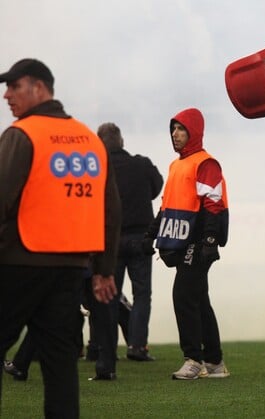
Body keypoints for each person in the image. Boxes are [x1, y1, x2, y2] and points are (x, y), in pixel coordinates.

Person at [0, 58, 121, 418]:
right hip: (70, 269)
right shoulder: (90, 141)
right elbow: (109, 210)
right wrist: (103, 270)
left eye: (13, 86)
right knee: (60, 368)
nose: (7, 95)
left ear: (39, 88)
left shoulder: (23, 134)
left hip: (17, 262)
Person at [144, 107, 230, 380]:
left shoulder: (205, 163)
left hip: (197, 242)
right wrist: (151, 234)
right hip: (181, 242)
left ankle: (194, 360)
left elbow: (213, 204)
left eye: (181, 128)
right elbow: (166, 206)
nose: (175, 133)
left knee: (183, 296)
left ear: (194, 131)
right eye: (173, 128)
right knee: (199, 300)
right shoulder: (175, 165)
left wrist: (209, 241)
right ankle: (215, 363)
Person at [96, 122, 164, 362]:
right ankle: (137, 346)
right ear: (122, 141)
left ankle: (106, 349)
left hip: (111, 241)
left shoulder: (99, 169)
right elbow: (158, 186)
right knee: (142, 293)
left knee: (109, 296)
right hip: (140, 238)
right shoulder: (142, 164)